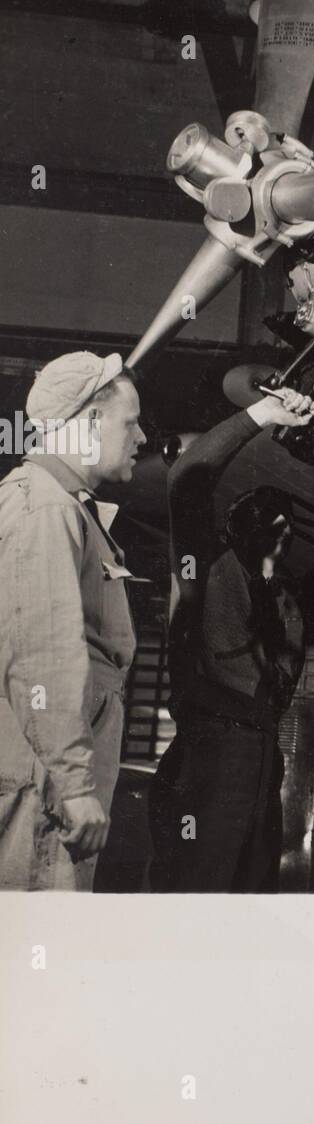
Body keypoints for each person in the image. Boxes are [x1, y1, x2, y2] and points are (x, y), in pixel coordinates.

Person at [148, 390, 314, 892]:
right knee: (194, 893)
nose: (274, 521)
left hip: (261, 754)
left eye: (281, 517)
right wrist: (259, 416)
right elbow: (185, 479)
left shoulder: (288, 598)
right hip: (210, 749)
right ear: (233, 529)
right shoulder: (203, 572)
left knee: (249, 894)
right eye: (258, 514)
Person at [0, 352, 145, 890]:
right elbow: (42, 655)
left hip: (49, 773)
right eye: (130, 422)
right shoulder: (47, 508)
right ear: (88, 423)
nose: (142, 437)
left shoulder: (65, 506)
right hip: (45, 780)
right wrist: (75, 783)